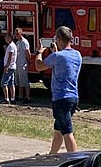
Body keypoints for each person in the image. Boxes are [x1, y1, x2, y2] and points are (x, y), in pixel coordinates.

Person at [36, 26, 82, 154]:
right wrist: (55, 51)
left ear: (59, 39)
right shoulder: (77, 55)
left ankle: (74, 159)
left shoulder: (57, 56)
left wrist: (39, 52)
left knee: (67, 132)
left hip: (60, 98)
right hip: (73, 97)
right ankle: (52, 155)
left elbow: (39, 66)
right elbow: (65, 64)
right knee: (59, 129)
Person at [14, 28, 31, 103]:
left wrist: (28, 61)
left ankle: (28, 97)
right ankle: (20, 96)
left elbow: (27, 52)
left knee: (24, 81)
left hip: (22, 64)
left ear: (21, 33)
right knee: (19, 81)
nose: (16, 35)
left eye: (17, 33)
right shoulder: (17, 42)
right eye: (15, 34)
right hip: (17, 64)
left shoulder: (24, 42)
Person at [1, 32, 17, 104]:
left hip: (9, 66)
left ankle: (6, 98)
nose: (6, 39)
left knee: (4, 83)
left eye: (7, 37)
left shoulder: (11, 46)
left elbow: (10, 57)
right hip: (13, 66)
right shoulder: (13, 45)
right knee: (11, 83)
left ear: (10, 38)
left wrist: (6, 66)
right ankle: (13, 98)